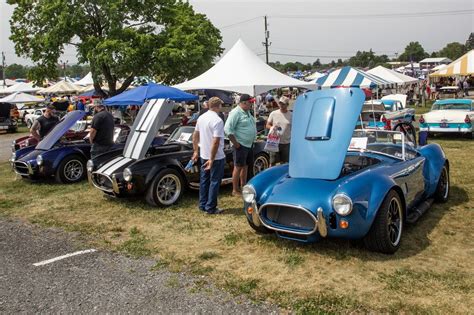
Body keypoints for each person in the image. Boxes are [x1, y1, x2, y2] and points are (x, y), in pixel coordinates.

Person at [192, 97, 226, 214]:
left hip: (204, 154)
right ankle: (210, 207)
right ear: (218, 106)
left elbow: (195, 135)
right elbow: (216, 141)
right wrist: (212, 159)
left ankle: (203, 204)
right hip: (215, 156)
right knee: (214, 181)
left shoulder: (201, 117)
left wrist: (196, 151)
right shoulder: (218, 120)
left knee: (204, 180)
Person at [224, 94, 257, 196]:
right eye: (250, 102)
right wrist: (236, 143)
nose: (252, 104)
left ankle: (243, 186)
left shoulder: (247, 112)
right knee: (238, 167)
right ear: (244, 103)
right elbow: (227, 129)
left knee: (245, 166)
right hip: (240, 144)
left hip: (248, 144)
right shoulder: (235, 112)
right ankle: (235, 190)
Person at [266, 96, 292, 166]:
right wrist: (272, 127)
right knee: (272, 162)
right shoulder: (273, 113)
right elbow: (267, 125)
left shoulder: (291, 115)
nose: (281, 105)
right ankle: (271, 176)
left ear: (287, 105)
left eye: (283, 104)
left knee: (285, 163)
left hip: (286, 143)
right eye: (280, 103)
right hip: (274, 141)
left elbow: (293, 128)